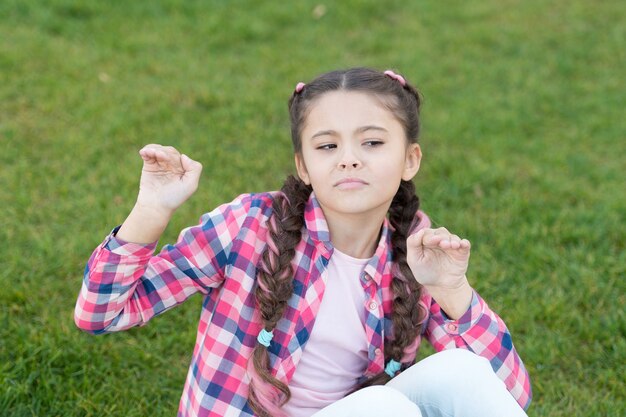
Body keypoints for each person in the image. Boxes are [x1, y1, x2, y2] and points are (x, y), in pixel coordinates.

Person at [74, 67, 532, 417]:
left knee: (462, 371)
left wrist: (453, 292)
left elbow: (508, 394)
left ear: (410, 158)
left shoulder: (415, 249)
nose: (349, 160)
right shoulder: (251, 227)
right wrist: (151, 211)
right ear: (304, 165)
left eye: (372, 143)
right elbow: (101, 314)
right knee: (384, 409)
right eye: (328, 146)